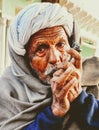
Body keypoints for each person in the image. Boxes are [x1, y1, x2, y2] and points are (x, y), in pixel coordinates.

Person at [0, 2, 99, 130]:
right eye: (41, 49)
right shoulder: (7, 93)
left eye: (61, 45)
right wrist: (53, 113)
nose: (55, 58)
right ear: (24, 61)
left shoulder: (88, 80)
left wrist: (80, 99)